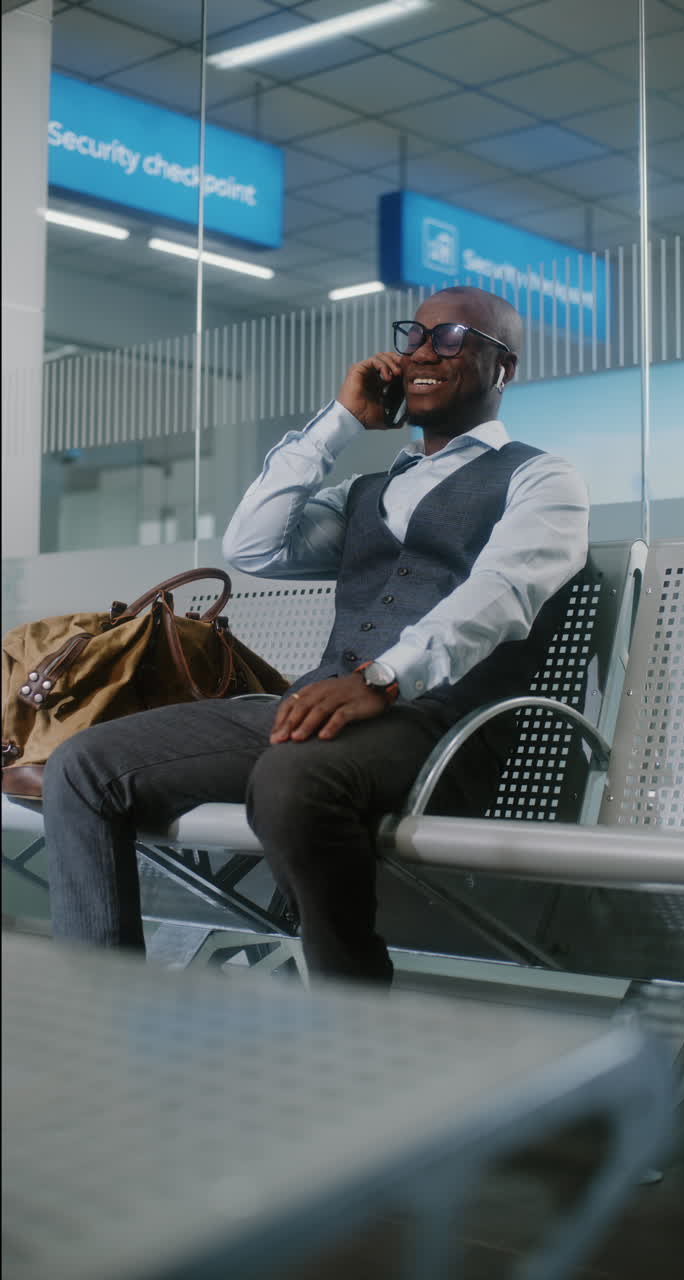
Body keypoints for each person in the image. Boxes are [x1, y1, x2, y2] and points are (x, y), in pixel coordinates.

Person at [43, 286, 589, 985]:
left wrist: (384, 677)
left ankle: (349, 1006)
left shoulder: (542, 478)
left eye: (451, 339)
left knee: (291, 777)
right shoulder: (365, 493)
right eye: (415, 337)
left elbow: (503, 591)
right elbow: (252, 545)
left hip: (441, 727)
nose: (422, 353)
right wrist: (339, 422)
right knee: (81, 767)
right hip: (317, 711)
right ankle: (96, 1004)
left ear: (503, 367)